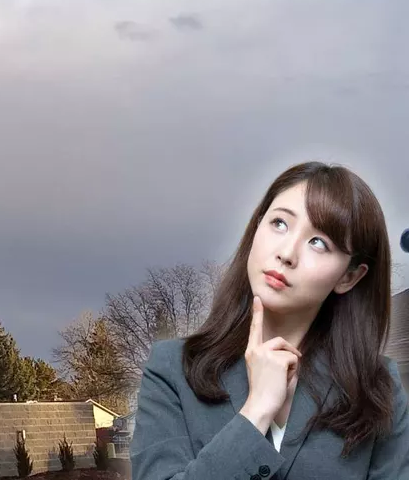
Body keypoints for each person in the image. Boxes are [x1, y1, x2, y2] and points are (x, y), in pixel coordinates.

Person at [130, 161, 409, 479]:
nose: (287, 252)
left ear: (348, 277)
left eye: (319, 242)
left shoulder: (378, 387)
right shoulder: (171, 369)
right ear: (256, 227)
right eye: (279, 223)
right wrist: (256, 412)